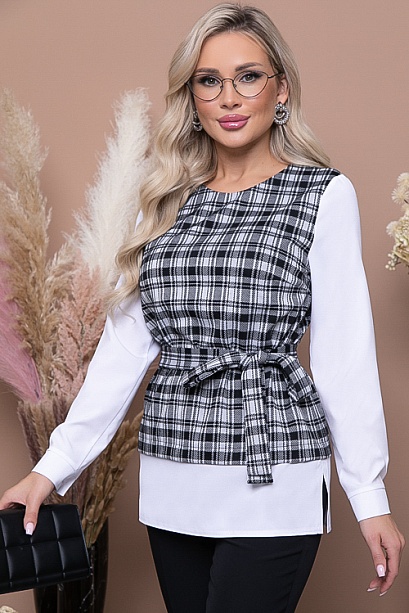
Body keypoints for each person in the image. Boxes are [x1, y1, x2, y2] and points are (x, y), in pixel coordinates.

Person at [0, 4, 404, 612]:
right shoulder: (163, 200)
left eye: (249, 76)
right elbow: (124, 352)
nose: (229, 98)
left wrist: (369, 496)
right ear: (191, 97)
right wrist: (51, 469)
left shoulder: (324, 194)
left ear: (281, 89)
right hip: (174, 476)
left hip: (275, 472)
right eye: (209, 81)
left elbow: (344, 355)